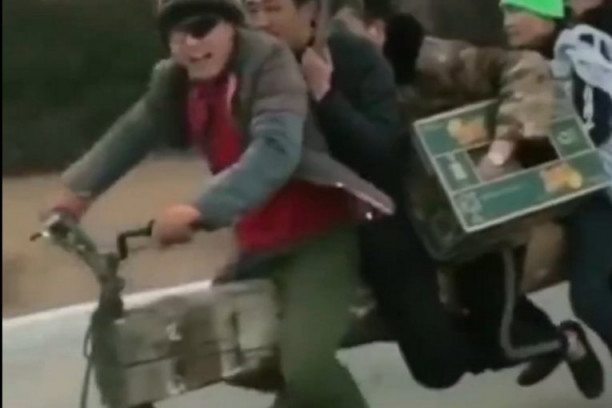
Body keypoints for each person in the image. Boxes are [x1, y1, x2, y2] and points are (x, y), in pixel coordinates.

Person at [44, 1, 397, 407]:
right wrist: (77, 193)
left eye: (202, 28)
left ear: (232, 26)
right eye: (177, 35)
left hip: (316, 241)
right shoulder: (176, 80)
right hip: (257, 247)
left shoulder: (269, 63)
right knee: (233, 357)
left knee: (308, 370)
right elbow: (135, 131)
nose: (191, 46)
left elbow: (276, 149)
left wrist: (199, 211)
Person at [337, 0, 605, 398]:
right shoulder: (345, 84)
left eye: (351, 42)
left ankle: (565, 342)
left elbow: (525, 68)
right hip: (424, 226)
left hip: (485, 222)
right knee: (441, 352)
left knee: (504, 340)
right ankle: (526, 334)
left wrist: (502, 147)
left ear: (377, 32)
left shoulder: (433, 60)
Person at [502, 0, 612, 374]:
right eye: (503, 13)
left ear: (547, 13)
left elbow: (596, 122)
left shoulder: (575, 43)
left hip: (599, 186)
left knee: (591, 297)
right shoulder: (535, 62)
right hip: (585, 190)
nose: (508, 22)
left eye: (517, 10)